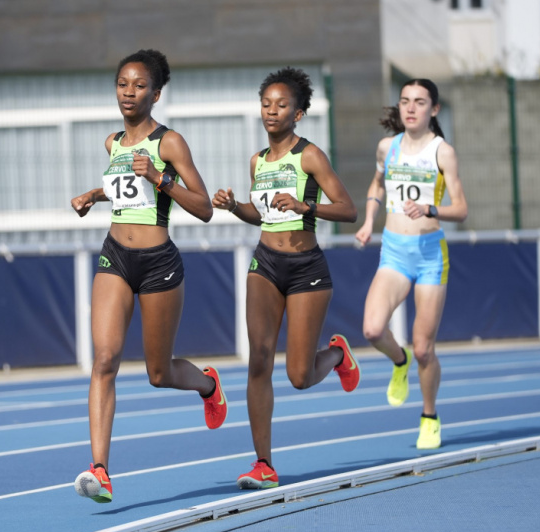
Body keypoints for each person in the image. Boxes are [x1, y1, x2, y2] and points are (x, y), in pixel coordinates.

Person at [70, 49, 226, 503]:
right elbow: (124, 190)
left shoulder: (170, 143)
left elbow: (204, 208)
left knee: (159, 372)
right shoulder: (112, 142)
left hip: (158, 263)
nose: (129, 92)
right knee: (105, 359)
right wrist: (94, 194)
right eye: (123, 84)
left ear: (155, 95)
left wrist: (161, 178)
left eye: (139, 86)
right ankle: (100, 470)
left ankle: (208, 384)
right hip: (115, 256)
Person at [212, 67, 360, 490]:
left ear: (298, 114)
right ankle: (263, 464)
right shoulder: (257, 161)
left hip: (306, 267)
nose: (272, 111)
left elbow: (348, 209)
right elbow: (261, 215)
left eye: (281, 105)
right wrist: (234, 206)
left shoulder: (310, 156)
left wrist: (304, 206)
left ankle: (337, 355)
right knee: (258, 359)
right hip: (265, 264)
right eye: (266, 104)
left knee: (298, 376)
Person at [354, 78, 468, 449]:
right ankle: (398, 361)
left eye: (420, 102)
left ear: (434, 109)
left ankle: (429, 416)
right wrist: (369, 221)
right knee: (372, 330)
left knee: (424, 349)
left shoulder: (442, 152)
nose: (411, 108)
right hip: (394, 251)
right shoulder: (387, 147)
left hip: (430, 255)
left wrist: (429, 208)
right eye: (405, 101)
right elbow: (377, 184)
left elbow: (461, 209)